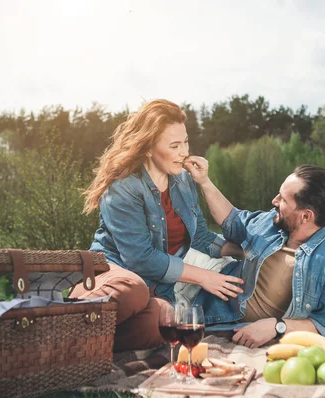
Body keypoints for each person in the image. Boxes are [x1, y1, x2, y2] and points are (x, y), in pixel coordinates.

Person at [70, 99, 244, 351]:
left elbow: (199, 238)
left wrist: (243, 250)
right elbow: (139, 258)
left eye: (185, 142)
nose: (184, 152)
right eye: (174, 145)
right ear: (149, 148)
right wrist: (204, 277)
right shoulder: (123, 187)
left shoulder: (183, 180)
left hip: (156, 288)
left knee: (165, 319)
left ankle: (79, 343)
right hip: (115, 276)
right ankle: (68, 317)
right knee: (134, 290)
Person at [187, 160, 325, 348]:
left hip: (217, 317)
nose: (274, 201)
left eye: (283, 199)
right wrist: (204, 181)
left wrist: (277, 327)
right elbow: (232, 219)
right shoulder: (271, 222)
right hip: (208, 290)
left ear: (306, 216)